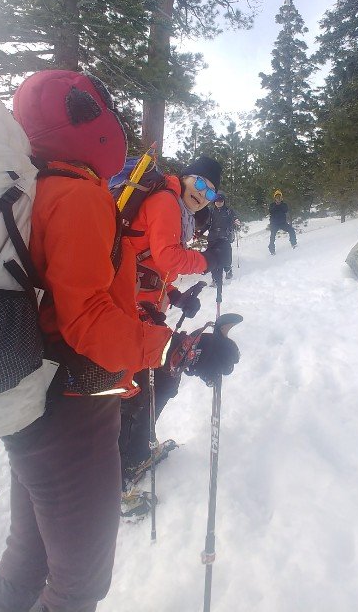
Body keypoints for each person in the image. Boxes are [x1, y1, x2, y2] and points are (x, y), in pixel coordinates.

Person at [0, 71, 238, 612]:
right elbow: (89, 321)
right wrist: (178, 348)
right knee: (77, 587)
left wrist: (175, 310)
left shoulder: (39, 186)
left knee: (26, 560)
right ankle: (130, 453)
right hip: (72, 409)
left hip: (34, 397)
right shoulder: (75, 195)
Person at [118, 155, 233, 488]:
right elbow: (168, 256)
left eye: (211, 192)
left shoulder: (176, 209)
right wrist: (208, 260)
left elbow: (151, 263)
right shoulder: (166, 202)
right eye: (199, 183)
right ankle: (126, 460)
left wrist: (175, 295)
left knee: (151, 381)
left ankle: (132, 453)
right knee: (146, 382)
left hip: (136, 301)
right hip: (126, 305)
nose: (203, 194)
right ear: (185, 178)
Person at [206, 192, 241, 281]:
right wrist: (199, 230)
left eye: (221, 200)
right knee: (212, 257)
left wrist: (236, 221)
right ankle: (215, 279)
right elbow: (205, 223)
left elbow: (234, 218)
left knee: (226, 255)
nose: (218, 202)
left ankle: (228, 269)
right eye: (217, 200)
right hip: (213, 237)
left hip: (225, 236)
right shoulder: (211, 210)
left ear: (224, 201)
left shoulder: (229, 211)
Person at [268, 188, 297, 255]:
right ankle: (272, 251)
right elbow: (271, 211)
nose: (278, 198)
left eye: (279, 197)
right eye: (276, 197)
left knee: (291, 230)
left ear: (281, 197)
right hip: (274, 224)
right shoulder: (272, 205)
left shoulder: (284, 204)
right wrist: (276, 205)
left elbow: (285, 210)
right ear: (274, 198)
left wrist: (280, 204)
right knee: (272, 237)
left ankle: (294, 244)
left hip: (282, 223)